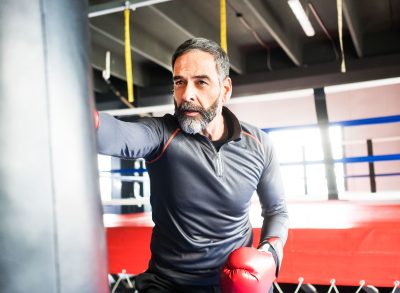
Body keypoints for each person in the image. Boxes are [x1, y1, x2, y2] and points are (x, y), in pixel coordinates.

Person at [96, 37, 289, 293]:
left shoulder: (259, 144)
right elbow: (117, 134)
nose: (187, 94)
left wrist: (269, 254)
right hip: (169, 285)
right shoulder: (162, 134)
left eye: (201, 82)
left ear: (226, 89)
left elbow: (276, 210)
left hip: (236, 284)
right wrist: (71, 113)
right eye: (179, 82)